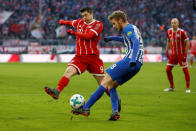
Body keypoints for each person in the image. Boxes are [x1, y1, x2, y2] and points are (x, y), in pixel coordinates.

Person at [71, 10, 144, 121]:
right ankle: (115, 112)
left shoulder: (128, 28)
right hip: (137, 65)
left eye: (114, 23)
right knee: (112, 86)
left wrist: (132, 59)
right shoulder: (132, 28)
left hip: (130, 60)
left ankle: (86, 108)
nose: (114, 26)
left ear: (120, 20)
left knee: (105, 81)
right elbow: (126, 39)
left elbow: (135, 42)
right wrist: (111, 38)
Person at [44, 7, 110, 100]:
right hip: (80, 57)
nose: (84, 17)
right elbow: (71, 22)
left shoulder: (98, 25)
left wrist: (75, 33)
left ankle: (114, 99)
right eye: (82, 16)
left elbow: (89, 36)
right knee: (68, 71)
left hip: (93, 58)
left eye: (86, 15)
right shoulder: (80, 22)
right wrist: (63, 22)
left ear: (92, 14)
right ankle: (57, 91)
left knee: (102, 83)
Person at [164, 18, 190, 93]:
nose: (173, 24)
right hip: (173, 55)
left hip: (181, 54)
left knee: (185, 70)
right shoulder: (168, 31)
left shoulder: (182, 32)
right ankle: (172, 87)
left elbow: (187, 43)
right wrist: (166, 50)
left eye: (175, 23)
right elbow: (168, 41)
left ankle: (188, 88)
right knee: (167, 69)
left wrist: (185, 54)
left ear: (178, 24)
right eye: (172, 23)